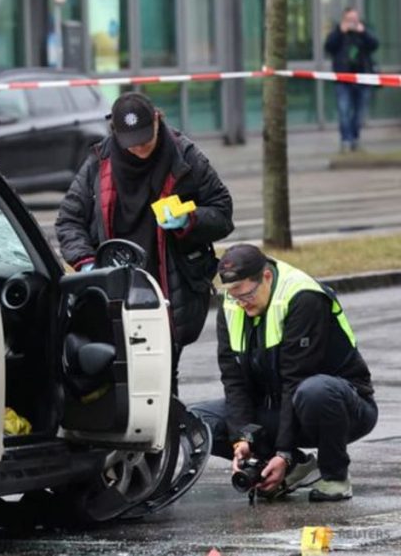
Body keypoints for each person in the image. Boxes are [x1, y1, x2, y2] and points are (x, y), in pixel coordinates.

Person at [54, 92, 233, 393]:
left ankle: (168, 437)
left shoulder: (184, 156)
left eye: (144, 140)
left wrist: (189, 221)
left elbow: (222, 211)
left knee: (162, 377)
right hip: (117, 288)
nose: (139, 149)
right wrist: (87, 264)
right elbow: (69, 220)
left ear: (157, 120)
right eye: (130, 143)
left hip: (170, 289)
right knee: (120, 378)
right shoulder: (100, 161)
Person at [191, 244, 376, 502]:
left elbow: (295, 379)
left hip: (341, 407)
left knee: (314, 391)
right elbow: (234, 382)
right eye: (234, 296)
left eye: (247, 294)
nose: (241, 303)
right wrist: (241, 439)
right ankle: (289, 469)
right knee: (197, 421)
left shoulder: (303, 298)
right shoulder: (231, 304)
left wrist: (283, 452)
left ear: (266, 276)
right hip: (279, 407)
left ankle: (335, 476)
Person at [323, 7, 378, 152]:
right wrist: (340, 32)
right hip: (343, 79)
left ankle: (355, 138)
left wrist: (363, 32)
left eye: (354, 19)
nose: (352, 23)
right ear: (344, 19)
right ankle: (346, 140)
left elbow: (375, 45)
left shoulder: (364, 31)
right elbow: (329, 47)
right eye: (349, 20)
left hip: (363, 78)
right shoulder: (337, 33)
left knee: (360, 113)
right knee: (344, 111)